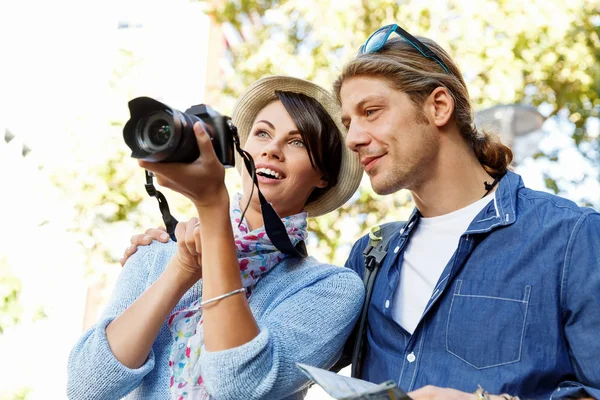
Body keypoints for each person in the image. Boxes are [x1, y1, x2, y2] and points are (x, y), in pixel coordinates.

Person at [131, 23, 600, 400]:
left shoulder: (573, 239)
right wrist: (180, 248)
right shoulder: (370, 259)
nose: (352, 138)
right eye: (349, 122)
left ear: (438, 106)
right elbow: (255, 370)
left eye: (371, 112)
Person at [67, 76, 365, 400]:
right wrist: (180, 270)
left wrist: (211, 208)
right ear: (241, 148)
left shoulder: (330, 288)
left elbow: (238, 384)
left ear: (324, 176)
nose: (272, 150)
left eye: (298, 142)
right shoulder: (159, 252)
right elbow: (87, 387)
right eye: (262, 133)